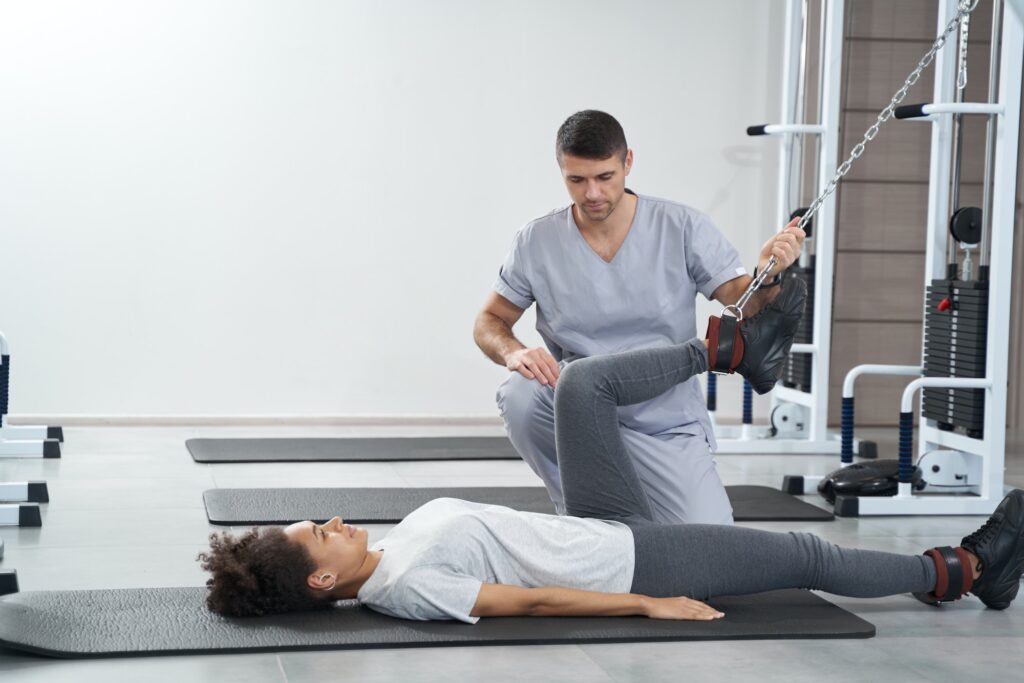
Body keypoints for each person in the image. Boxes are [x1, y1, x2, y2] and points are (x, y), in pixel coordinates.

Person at [199, 307, 1024, 621]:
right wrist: (647, 605)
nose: (336, 522)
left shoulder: (389, 552)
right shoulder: (405, 587)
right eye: (323, 534)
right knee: (805, 556)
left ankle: (731, 348)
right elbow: (527, 599)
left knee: (580, 387)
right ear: (319, 580)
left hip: (593, 521)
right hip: (634, 556)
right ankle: (961, 570)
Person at [472, 109, 806, 525]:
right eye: (577, 180)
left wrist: (768, 274)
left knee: (705, 546)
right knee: (520, 394)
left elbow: (745, 303)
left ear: (628, 162)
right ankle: (583, 514)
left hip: (663, 419)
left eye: (605, 177)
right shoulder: (536, 240)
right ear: (561, 171)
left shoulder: (682, 226)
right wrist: (512, 352)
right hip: (579, 409)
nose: (592, 193)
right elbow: (489, 320)